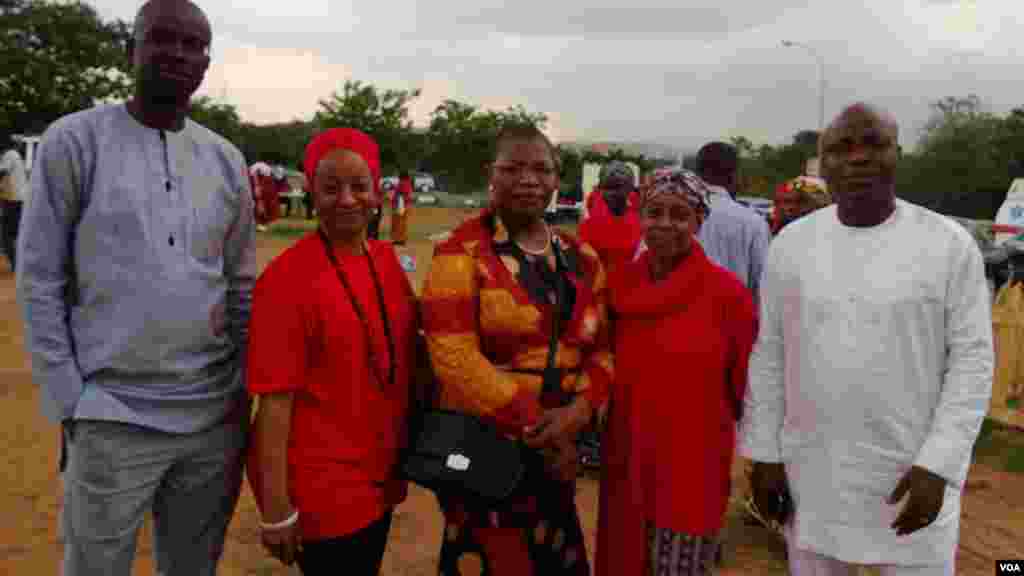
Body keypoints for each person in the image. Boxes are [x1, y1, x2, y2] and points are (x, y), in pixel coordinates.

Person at [16, 1, 256, 574]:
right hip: (112, 414)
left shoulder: (224, 160)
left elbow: (240, 284)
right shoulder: (74, 142)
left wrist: (242, 388)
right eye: (162, 39)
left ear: (205, 62)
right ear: (132, 50)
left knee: (193, 565)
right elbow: (40, 274)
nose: (177, 53)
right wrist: (70, 398)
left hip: (211, 418)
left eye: (193, 44)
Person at [741, 103, 994, 575]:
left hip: (912, 479)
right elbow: (770, 354)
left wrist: (939, 464)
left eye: (873, 144)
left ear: (897, 154)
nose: (858, 157)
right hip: (814, 475)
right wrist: (765, 454)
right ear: (824, 164)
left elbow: (973, 363)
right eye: (841, 147)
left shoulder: (947, 245)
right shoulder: (791, 247)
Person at [420, 124, 613, 575]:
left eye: (540, 169)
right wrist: (539, 428)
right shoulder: (461, 253)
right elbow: (454, 359)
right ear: (492, 175)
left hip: (560, 452)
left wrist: (576, 417)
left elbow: (603, 350)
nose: (528, 179)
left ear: (556, 179)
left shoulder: (581, 258)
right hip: (487, 455)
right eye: (513, 168)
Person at [246, 128, 417, 575]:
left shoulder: (387, 263)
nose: (346, 200)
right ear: (309, 192)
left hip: (382, 472)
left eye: (359, 186)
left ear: (377, 193)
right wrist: (277, 508)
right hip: (324, 485)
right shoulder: (286, 280)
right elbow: (274, 404)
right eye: (331, 187)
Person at [598, 168, 757, 575]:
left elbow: (747, 388)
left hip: (693, 464)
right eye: (655, 212)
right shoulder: (617, 288)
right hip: (628, 456)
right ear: (641, 217)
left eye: (679, 214)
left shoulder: (728, 297)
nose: (665, 224)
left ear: (699, 221)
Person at [695, 142, 771, 302]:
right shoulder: (753, 223)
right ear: (733, 175)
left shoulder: (670, 215)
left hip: (678, 320)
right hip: (734, 319)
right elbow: (764, 285)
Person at [578, 161, 643, 264]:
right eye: (607, 187)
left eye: (618, 187)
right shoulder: (589, 225)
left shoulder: (641, 223)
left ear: (630, 188)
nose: (611, 193)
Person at [0, 137, 27, 271]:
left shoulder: (9, 155)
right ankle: (18, 263)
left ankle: (18, 264)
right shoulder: (15, 156)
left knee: (7, 234)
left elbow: (2, 172)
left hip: (13, 200)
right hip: (16, 200)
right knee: (13, 233)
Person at [390, 171, 412, 245]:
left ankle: (398, 239)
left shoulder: (402, 183)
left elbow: (400, 195)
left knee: (398, 223)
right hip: (405, 205)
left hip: (400, 205)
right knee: (402, 223)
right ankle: (402, 239)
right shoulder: (408, 183)